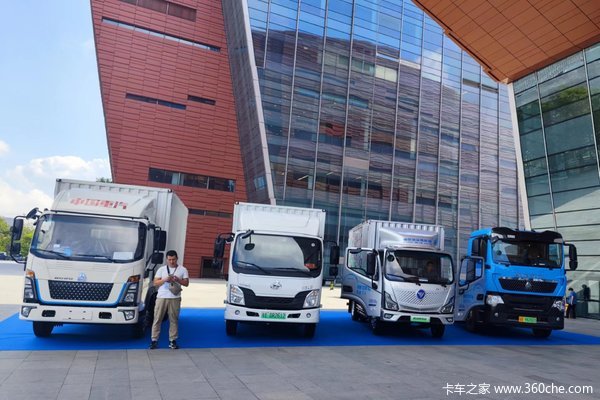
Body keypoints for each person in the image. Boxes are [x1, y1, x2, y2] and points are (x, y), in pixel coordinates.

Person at [150, 250, 189, 349]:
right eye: (170, 259)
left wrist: (178, 279)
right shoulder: (161, 269)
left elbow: (186, 283)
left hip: (175, 297)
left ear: (177, 259)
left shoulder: (183, 269)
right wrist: (165, 280)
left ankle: (172, 340)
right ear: (166, 259)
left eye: (173, 259)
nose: (172, 261)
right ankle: (154, 340)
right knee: (157, 318)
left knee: (174, 319)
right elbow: (155, 283)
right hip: (161, 297)